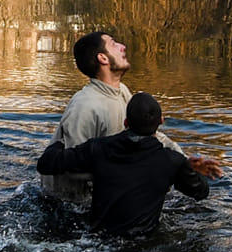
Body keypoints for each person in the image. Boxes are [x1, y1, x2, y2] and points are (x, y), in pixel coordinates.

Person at [35, 93, 222, 237]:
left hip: (97, 240)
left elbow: (46, 164)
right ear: (161, 122)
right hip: (143, 244)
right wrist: (187, 169)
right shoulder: (171, 161)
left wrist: (60, 140)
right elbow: (201, 192)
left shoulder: (98, 148)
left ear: (125, 122)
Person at [41, 31, 177, 203]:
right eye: (114, 44)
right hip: (66, 203)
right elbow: (70, 167)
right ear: (103, 58)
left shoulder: (123, 92)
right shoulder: (84, 106)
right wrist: (130, 174)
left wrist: (184, 162)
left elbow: (146, 134)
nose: (123, 47)